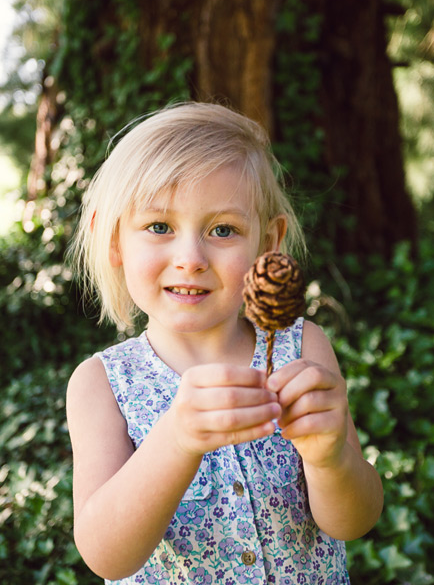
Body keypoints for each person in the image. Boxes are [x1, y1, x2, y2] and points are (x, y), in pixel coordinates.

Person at [67, 102, 383, 584]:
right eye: (159, 227)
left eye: (223, 230)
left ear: (267, 242)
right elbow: (106, 555)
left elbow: (354, 520)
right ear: (113, 241)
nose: (190, 257)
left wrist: (331, 457)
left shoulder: (301, 350)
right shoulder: (103, 385)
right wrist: (176, 439)